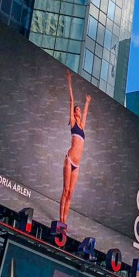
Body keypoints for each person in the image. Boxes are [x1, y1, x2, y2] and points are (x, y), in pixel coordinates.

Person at [58, 74, 92, 229]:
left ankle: (65, 220)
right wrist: (70, 83)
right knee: (65, 190)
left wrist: (87, 103)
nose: (78, 111)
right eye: (76, 110)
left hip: (77, 164)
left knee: (71, 193)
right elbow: (71, 101)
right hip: (69, 159)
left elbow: (85, 114)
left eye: (78, 110)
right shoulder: (72, 123)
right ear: (73, 112)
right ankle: (61, 220)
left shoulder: (82, 126)